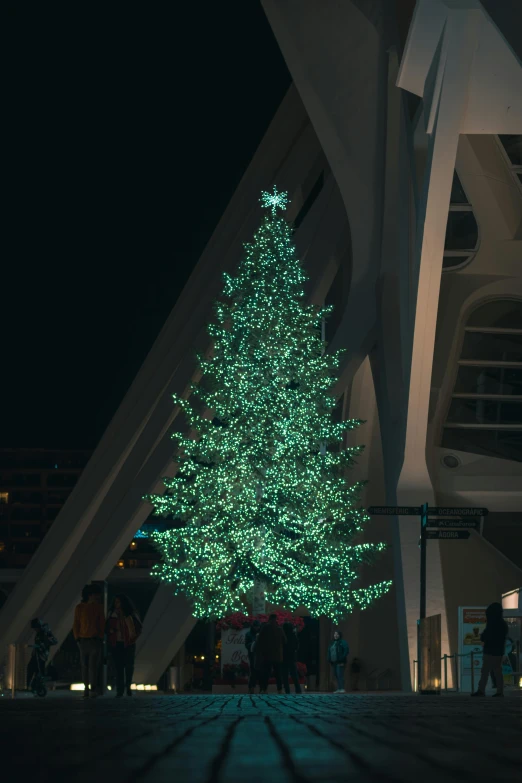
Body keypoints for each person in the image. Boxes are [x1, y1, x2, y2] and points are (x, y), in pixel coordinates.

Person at [106, 594, 142, 697]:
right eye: (116, 602)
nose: (117, 604)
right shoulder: (111, 615)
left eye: (119, 602)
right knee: (119, 667)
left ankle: (128, 687)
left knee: (129, 666)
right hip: (116, 643)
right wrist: (111, 632)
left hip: (128, 643)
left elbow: (138, 628)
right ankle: (120, 689)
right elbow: (106, 628)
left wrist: (133, 638)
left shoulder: (130, 614)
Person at [73, 584, 105, 698]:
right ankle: (88, 689)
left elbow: (101, 624)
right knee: (87, 666)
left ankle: (91, 688)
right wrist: (77, 638)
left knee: (90, 666)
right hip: (85, 640)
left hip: (92, 640)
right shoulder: (81, 607)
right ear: (90, 595)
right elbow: (76, 624)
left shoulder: (96, 607)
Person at [472, 602, 508, 697]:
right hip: (499, 652)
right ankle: (500, 691)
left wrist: (483, 637)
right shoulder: (503, 624)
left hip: (489, 651)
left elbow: (485, 636)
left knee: (485, 671)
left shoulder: (491, 624)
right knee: (498, 672)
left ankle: (481, 690)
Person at [255, 614, 286, 693]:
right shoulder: (279, 629)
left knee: (266, 673)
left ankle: (264, 689)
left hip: (267, 655)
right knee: (278, 674)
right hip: (278, 655)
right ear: (276, 619)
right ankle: (279, 689)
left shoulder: (265, 628)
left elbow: (259, 640)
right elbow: (285, 641)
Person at [27, 618, 57, 692]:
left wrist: (43, 645)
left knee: (38, 672)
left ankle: (35, 687)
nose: (35, 630)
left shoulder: (46, 632)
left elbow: (54, 641)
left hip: (41, 656)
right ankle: (30, 686)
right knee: (31, 669)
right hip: (36, 655)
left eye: (35, 628)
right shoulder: (39, 633)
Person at [282, 622, 302, 694]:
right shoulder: (293, 635)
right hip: (292, 657)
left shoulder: (283, 636)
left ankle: (287, 690)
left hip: (284, 657)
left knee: (285, 675)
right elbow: (297, 646)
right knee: (294, 675)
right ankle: (298, 689)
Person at [245, 619, 261, 694]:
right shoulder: (249, 634)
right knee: (253, 671)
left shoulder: (260, 633)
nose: (257, 628)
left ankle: (259, 687)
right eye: (256, 627)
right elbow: (247, 645)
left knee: (259, 671)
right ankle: (251, 687)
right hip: (252, 654)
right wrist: (253, 643)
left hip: (259, 655)